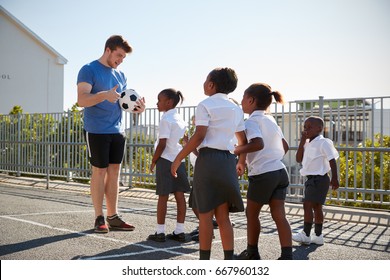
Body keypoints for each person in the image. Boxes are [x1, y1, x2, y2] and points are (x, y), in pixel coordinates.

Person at [171, 67, 247, 260]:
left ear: (211, 84)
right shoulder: (236, 108)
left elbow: (200, 135)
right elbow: (242, 140)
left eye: (206, 80)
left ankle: (204, 262)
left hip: (208, 160)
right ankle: (228, 260)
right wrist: (241, 161)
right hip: (227, 161)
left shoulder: (205, 104)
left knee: (205, 215)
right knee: (223, 217)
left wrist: (179, 157)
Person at [77, 35, 145, 233]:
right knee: (99, 171)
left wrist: (137, 109)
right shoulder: (88, 69)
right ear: (108, 50)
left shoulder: (121, 75)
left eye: (123, 57)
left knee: (114, 172)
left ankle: (113, 216)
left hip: (117, 130)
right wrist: (103, 95)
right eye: (119, 55)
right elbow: (82, 99)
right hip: (96, 130)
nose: (121, 60)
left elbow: (123, 103)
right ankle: (99, 217)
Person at [234, 83, 293, 260]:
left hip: (263, 174)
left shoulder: (251, 121)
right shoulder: (270, 120)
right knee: (279, 216)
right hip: (280, 171)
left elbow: (257, 143)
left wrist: (235, 150)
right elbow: (285, 146)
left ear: (251, 100)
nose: (242, 102)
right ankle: (287, 256)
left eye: (243, 98)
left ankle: (252, 253)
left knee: (251, 214)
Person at [148, 88, 191, 242]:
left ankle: (160, 232)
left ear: (169, 102)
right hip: (179, 160)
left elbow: (162, 144)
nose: (157, 103)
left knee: (163, 196)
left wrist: (154, 160)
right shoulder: (180, 119)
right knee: (180, 196)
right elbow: (185, 140)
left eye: (159, 100)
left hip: (165, 161)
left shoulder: (166, 119)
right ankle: (179, 231)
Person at [292, 116, 339, 245]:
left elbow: (332, 160)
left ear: (319, 128)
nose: (306, 129)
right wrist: (302, 141)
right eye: (305, 127)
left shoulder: (323, 142)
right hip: (311, 179)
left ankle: (306, 234)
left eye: (310, 126)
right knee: (317, 207)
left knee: (307, 204)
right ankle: (318, 236)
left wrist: (335, 177)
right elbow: (298, 159)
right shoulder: (307, 143)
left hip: (320, 179)